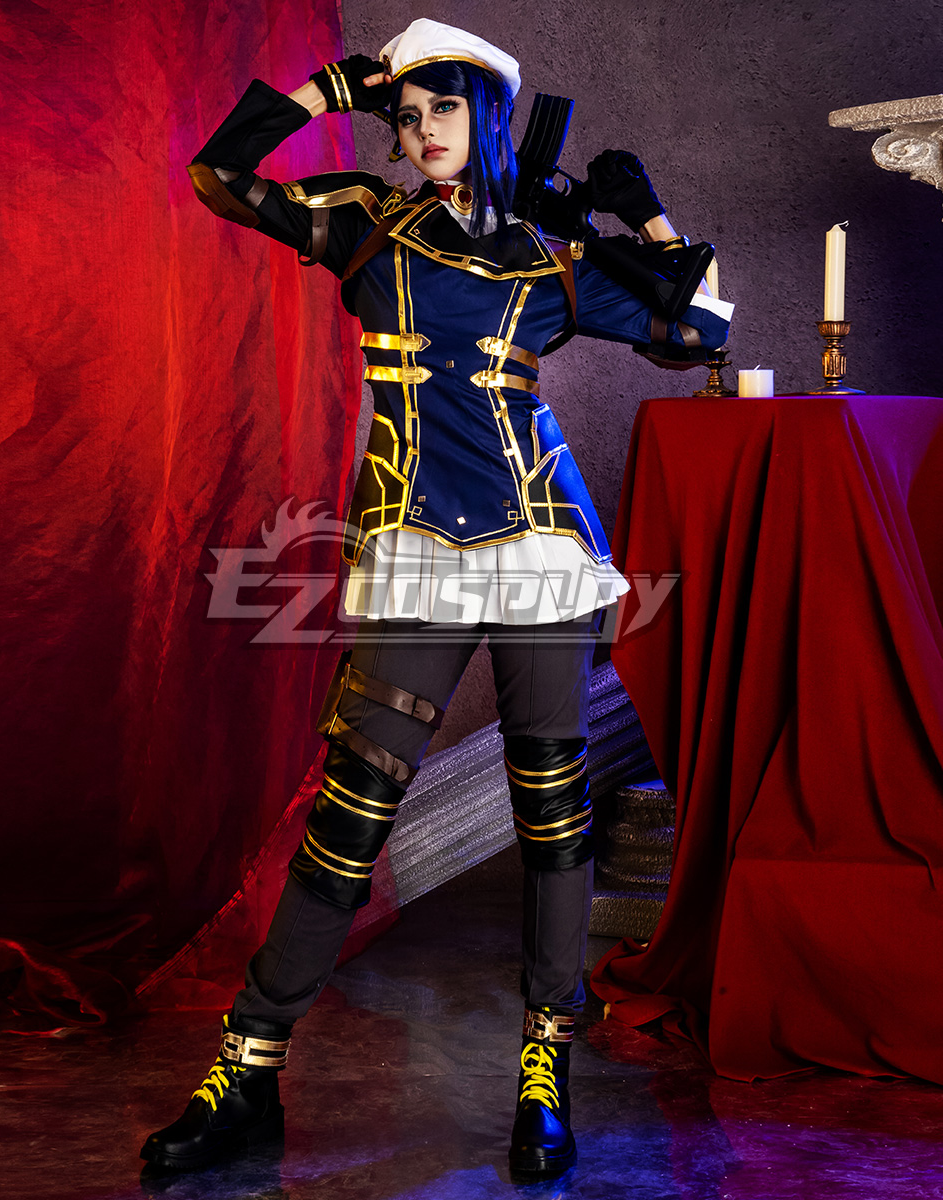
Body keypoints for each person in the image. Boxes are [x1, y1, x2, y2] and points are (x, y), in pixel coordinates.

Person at [141, 17, 732, 1180]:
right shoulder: (365, 221)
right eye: (405, 115)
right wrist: (327, 90)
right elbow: (217, 175)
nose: (419, 131)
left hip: (540, 548)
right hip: (414, 543)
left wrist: (647, 222)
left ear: (488, 115)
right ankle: (245, 1071)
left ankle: (544, 1069)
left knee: (551, 814)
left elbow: (700, 332)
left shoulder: (553, 256)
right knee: (350, 811)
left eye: (442, 109)